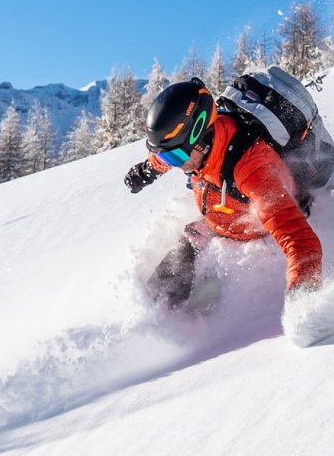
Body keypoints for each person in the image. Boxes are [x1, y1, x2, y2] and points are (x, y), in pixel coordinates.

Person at [125, 78, 322, 308]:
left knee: (210, 306)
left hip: (252, 240)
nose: (175, 165)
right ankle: (153, 320)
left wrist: (303, 299)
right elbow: (168, 151)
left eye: (175, 158)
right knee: (160, 289)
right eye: (166, 158)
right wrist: (147, 170)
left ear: (200, 140)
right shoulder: (197, 149)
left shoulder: (253, 169)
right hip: (215, 225)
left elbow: (301, 243)